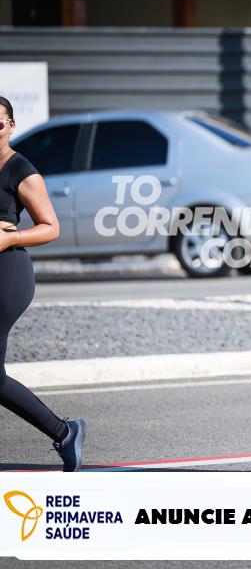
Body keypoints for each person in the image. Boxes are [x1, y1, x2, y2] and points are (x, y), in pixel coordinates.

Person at [0, 96, 86, 471]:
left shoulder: (21, 170)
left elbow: (51, 227)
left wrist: (10, 237)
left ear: (10, 126)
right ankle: (65, 432)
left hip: (7, 271)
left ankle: (65, 432)